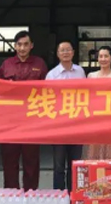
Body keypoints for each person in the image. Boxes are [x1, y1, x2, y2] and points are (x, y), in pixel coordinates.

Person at [0, 31, 48, 190]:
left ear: (31, 45)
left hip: (32, 120)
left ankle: (31, 194)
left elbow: (48, 91)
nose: (22, 48)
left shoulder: (40, 64)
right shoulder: (6, 64)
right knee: (9, 160)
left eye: (26, 44)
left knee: (31, 161)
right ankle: (12, 195)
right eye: (19, 44)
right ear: (15, 46)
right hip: (10, 121)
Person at [46, 40, 86, 191]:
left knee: (74, 164)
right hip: (59, 126)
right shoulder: (52, 75)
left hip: (77, 125)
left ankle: (74, 194)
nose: (65, 52)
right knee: (59, 165)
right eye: (62, 50)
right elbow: (48, 100)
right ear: (57, 54)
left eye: (68, 49)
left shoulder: (80, 72)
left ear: (73, 52)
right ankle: (59, 195)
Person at [84, 46, 111, 160]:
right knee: (94, 151)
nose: (103, 59)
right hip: (95, 118)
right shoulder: (91, 76)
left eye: (106, 56)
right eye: (100, 56)